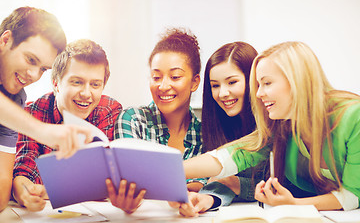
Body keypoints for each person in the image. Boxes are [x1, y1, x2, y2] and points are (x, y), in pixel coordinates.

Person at [181, 41, 360, 213]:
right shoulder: (285, 124)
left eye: (266, 83)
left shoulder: (353, 116)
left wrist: (294, 204)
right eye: (258, 85)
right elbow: (235, 155)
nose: (258, 94)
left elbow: (352, 196)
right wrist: (175, 170)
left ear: (297, 81)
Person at [12, 39, 122, 212]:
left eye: (95, 84)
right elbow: (25, 171)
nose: (86, 94)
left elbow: (103, 182)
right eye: (76, 82)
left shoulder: (108, 110)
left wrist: (49, 188)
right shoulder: (33, 112)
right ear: (56, 83)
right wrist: (25, 192)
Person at [0, 6, 91, 211]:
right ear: (5, 40)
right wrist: (42, 131)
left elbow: (1, 194)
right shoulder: (21, 113)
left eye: (42, 68)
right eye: (30, 59)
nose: (33, 75)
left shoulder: (14, 100)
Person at [109, 28, 203, 213]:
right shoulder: (132, 119)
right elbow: (129, 182)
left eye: (175, 77)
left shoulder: (205, 133)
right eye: (156, 77)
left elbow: (207, 185)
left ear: (194, 82)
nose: (163, 85)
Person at [171, 42, 267, 216]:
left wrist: (237, 184)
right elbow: (223, 178)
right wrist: (208, 198)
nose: (222, 93)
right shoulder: (220, 123)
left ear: (254, 80)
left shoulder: (273, 122)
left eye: (232, 82)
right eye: (215, 85)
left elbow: (273, 183)